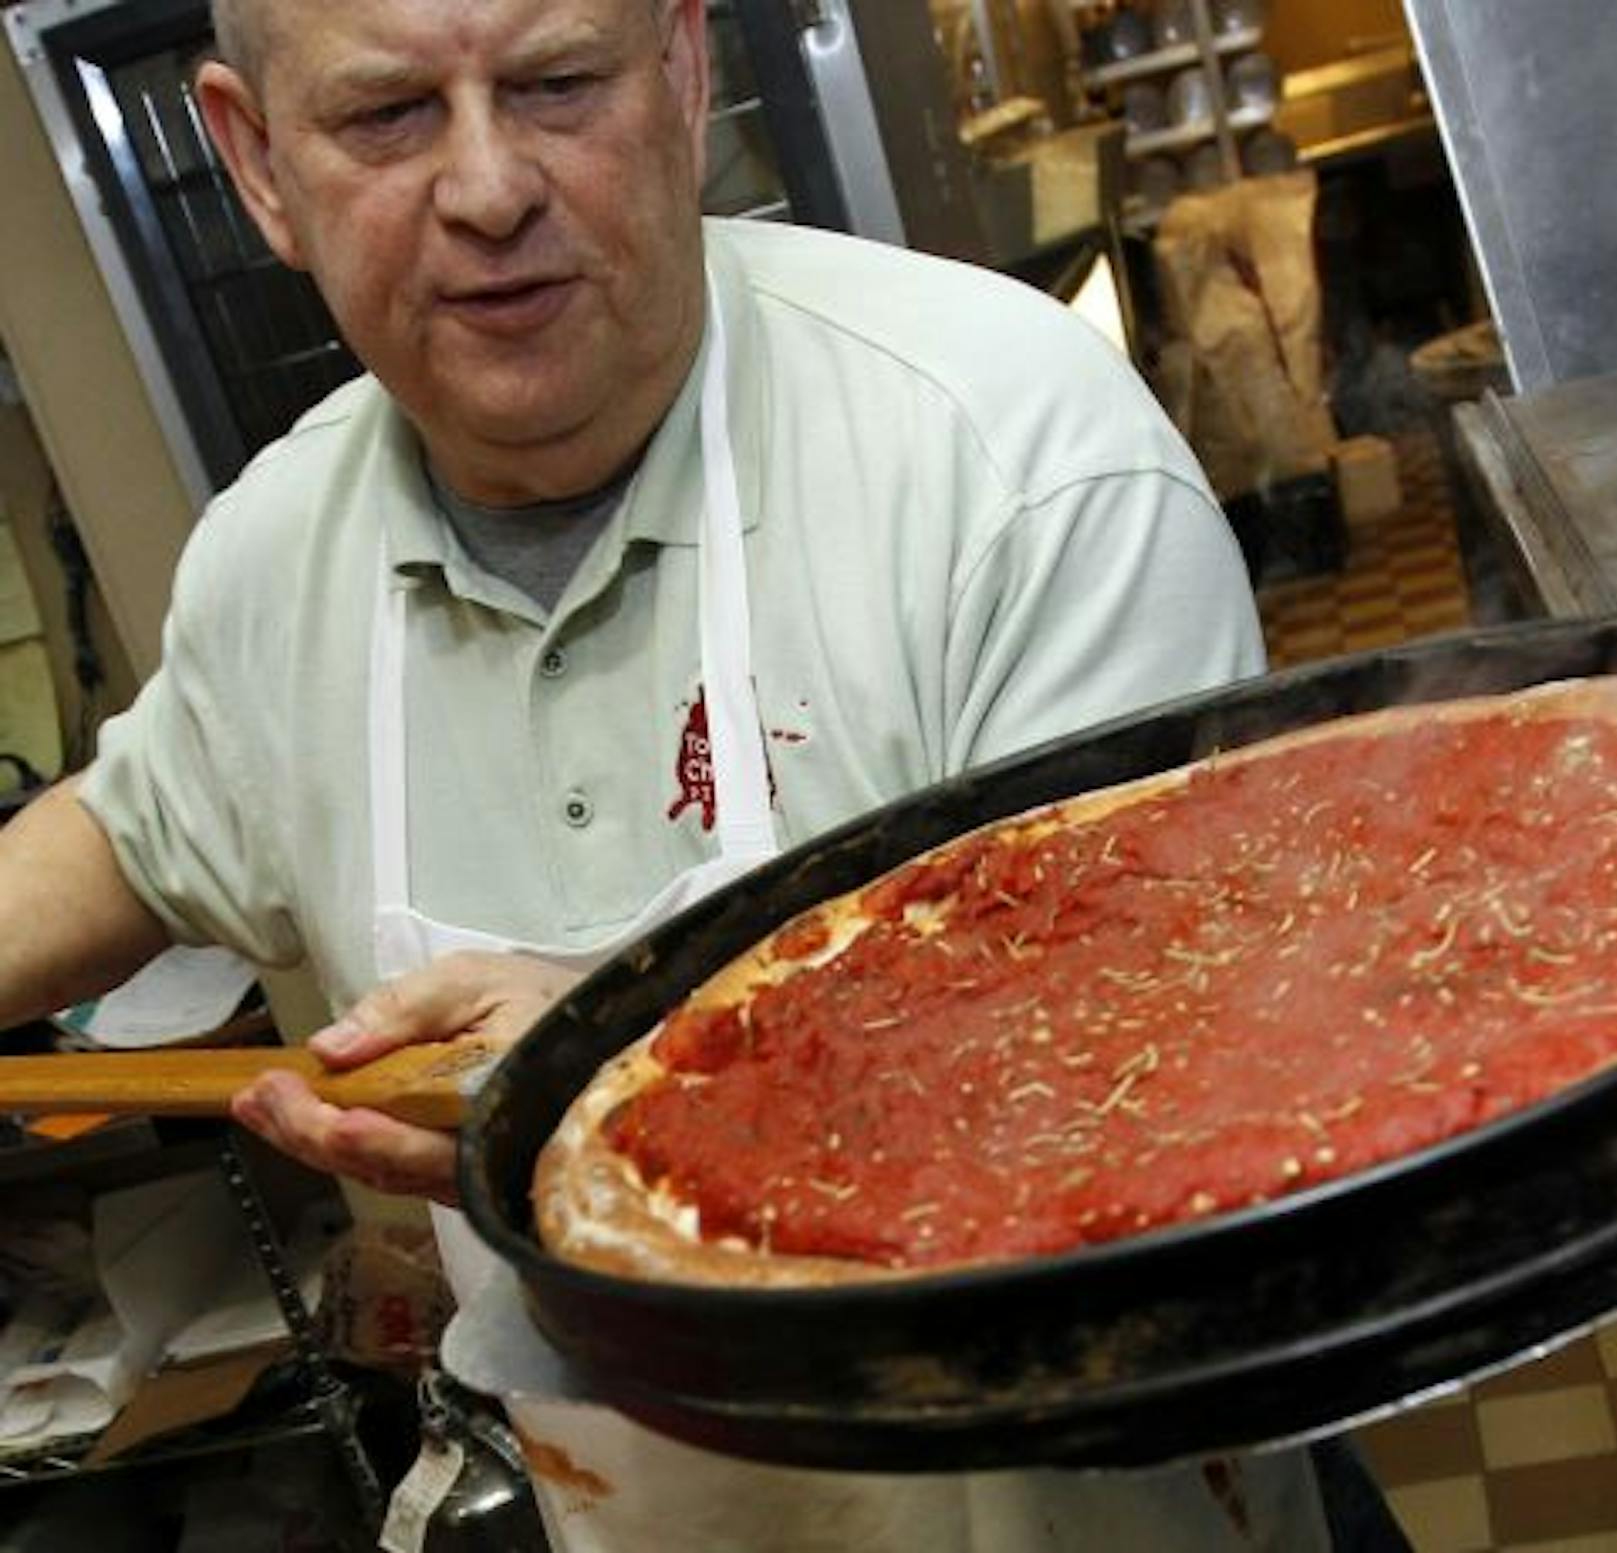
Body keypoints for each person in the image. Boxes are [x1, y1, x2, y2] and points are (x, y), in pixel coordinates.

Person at [0, 0, 1361, 1546]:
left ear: (685, 69)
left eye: (556, 83)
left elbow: (1175, 1084)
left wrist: (644, 1071)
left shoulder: (1012, 457)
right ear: (255, 163)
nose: (488, 188)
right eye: (388, 117)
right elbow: (131, 831)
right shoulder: (275, 556)